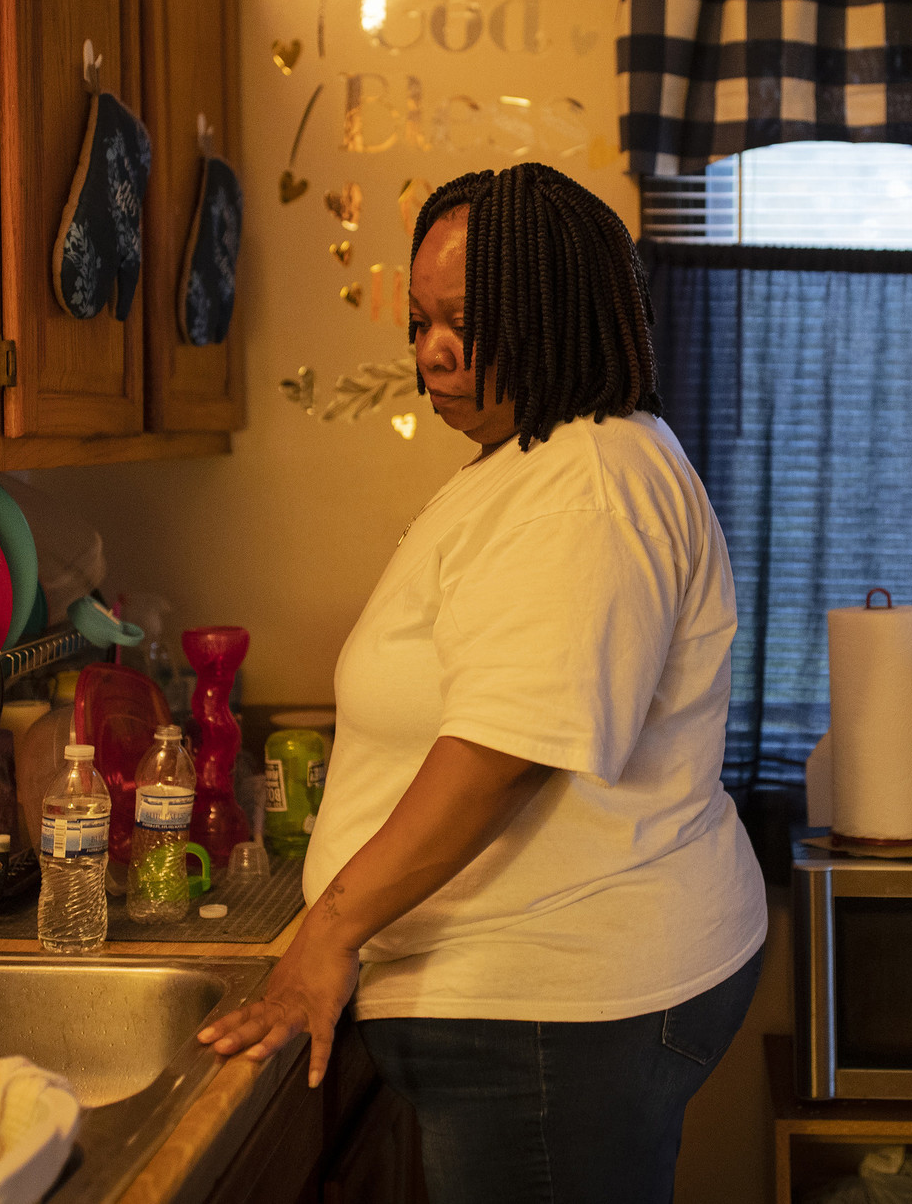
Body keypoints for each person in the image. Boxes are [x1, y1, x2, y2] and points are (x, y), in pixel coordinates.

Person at [196, 162, 767, 1204]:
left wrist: (328, 933)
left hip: (557, 1007)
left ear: (560, 310)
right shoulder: (537, 459)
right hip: (536, 1000)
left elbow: (502, 753)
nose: (431, 351)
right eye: (420, 322)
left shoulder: (588, 482)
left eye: (465, 320)